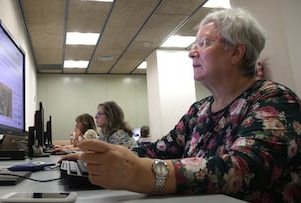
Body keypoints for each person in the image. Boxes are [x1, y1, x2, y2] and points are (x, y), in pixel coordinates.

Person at [59, 8, 301, 203]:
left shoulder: (275, 101)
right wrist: (102, 157)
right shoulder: (199, 111)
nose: (191, 53)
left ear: (236, 53)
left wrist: (143, 173)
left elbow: (244, 168)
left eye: (205, 43)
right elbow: (158, 150)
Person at [59, 101, 137, 158]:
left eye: (99, 114)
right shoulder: (105, 135)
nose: (95, 117)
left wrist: (71, 155)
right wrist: (68, 153)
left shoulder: (119, 135)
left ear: (110, 116)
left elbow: (102, 158)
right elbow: (92, 151)